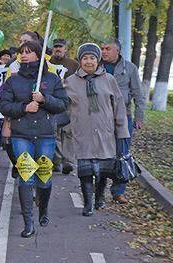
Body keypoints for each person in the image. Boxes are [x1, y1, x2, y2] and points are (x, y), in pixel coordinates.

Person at [0, 41, 68, 238]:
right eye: (22, 52)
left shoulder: (52, 79)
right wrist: (24, 108)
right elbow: (3, 104)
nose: (24, 55)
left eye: (29, 52)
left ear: (39, 55)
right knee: (26, 176)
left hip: (45, 135)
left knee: (44, 178)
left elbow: (63, 104)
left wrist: (44, 99)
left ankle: (43, 210)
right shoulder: (13, 80)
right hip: (22, 136)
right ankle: (28, 222)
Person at [65, 43, 130, 216]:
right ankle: (88, 203)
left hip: (105, 132)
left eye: (92, 58)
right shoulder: (70, 82)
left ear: (98, 60)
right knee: (85, 169)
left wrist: (122, 130)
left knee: (103, 169)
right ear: (80, 61)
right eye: (85, 58)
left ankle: (99, 197)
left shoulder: (109, 79)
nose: (89, 62)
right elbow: (64, 106)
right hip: (82, 132)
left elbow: (119, 106)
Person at [100, 39, 145, 204]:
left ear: (117, 51)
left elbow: (138, 94)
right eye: (102, 48)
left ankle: (118, 191)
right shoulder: (96, 67)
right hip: (100, 117)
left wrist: (139, 117)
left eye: (107, 48)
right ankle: (99, 191)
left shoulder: (130, 68)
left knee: (122, 154)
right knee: (102, 154)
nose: (104, 51)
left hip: (123, 116)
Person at [49, 38, 80, 174]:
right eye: (56, 47)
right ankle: (56, 161)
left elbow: (81, 80)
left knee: (69, 132)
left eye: (60, 47)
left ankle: (68, 161)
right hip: (53, 101)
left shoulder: (73, 64)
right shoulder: (47, 63)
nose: (58, 49)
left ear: (65, 49)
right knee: (53, 132)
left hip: (70, 102)